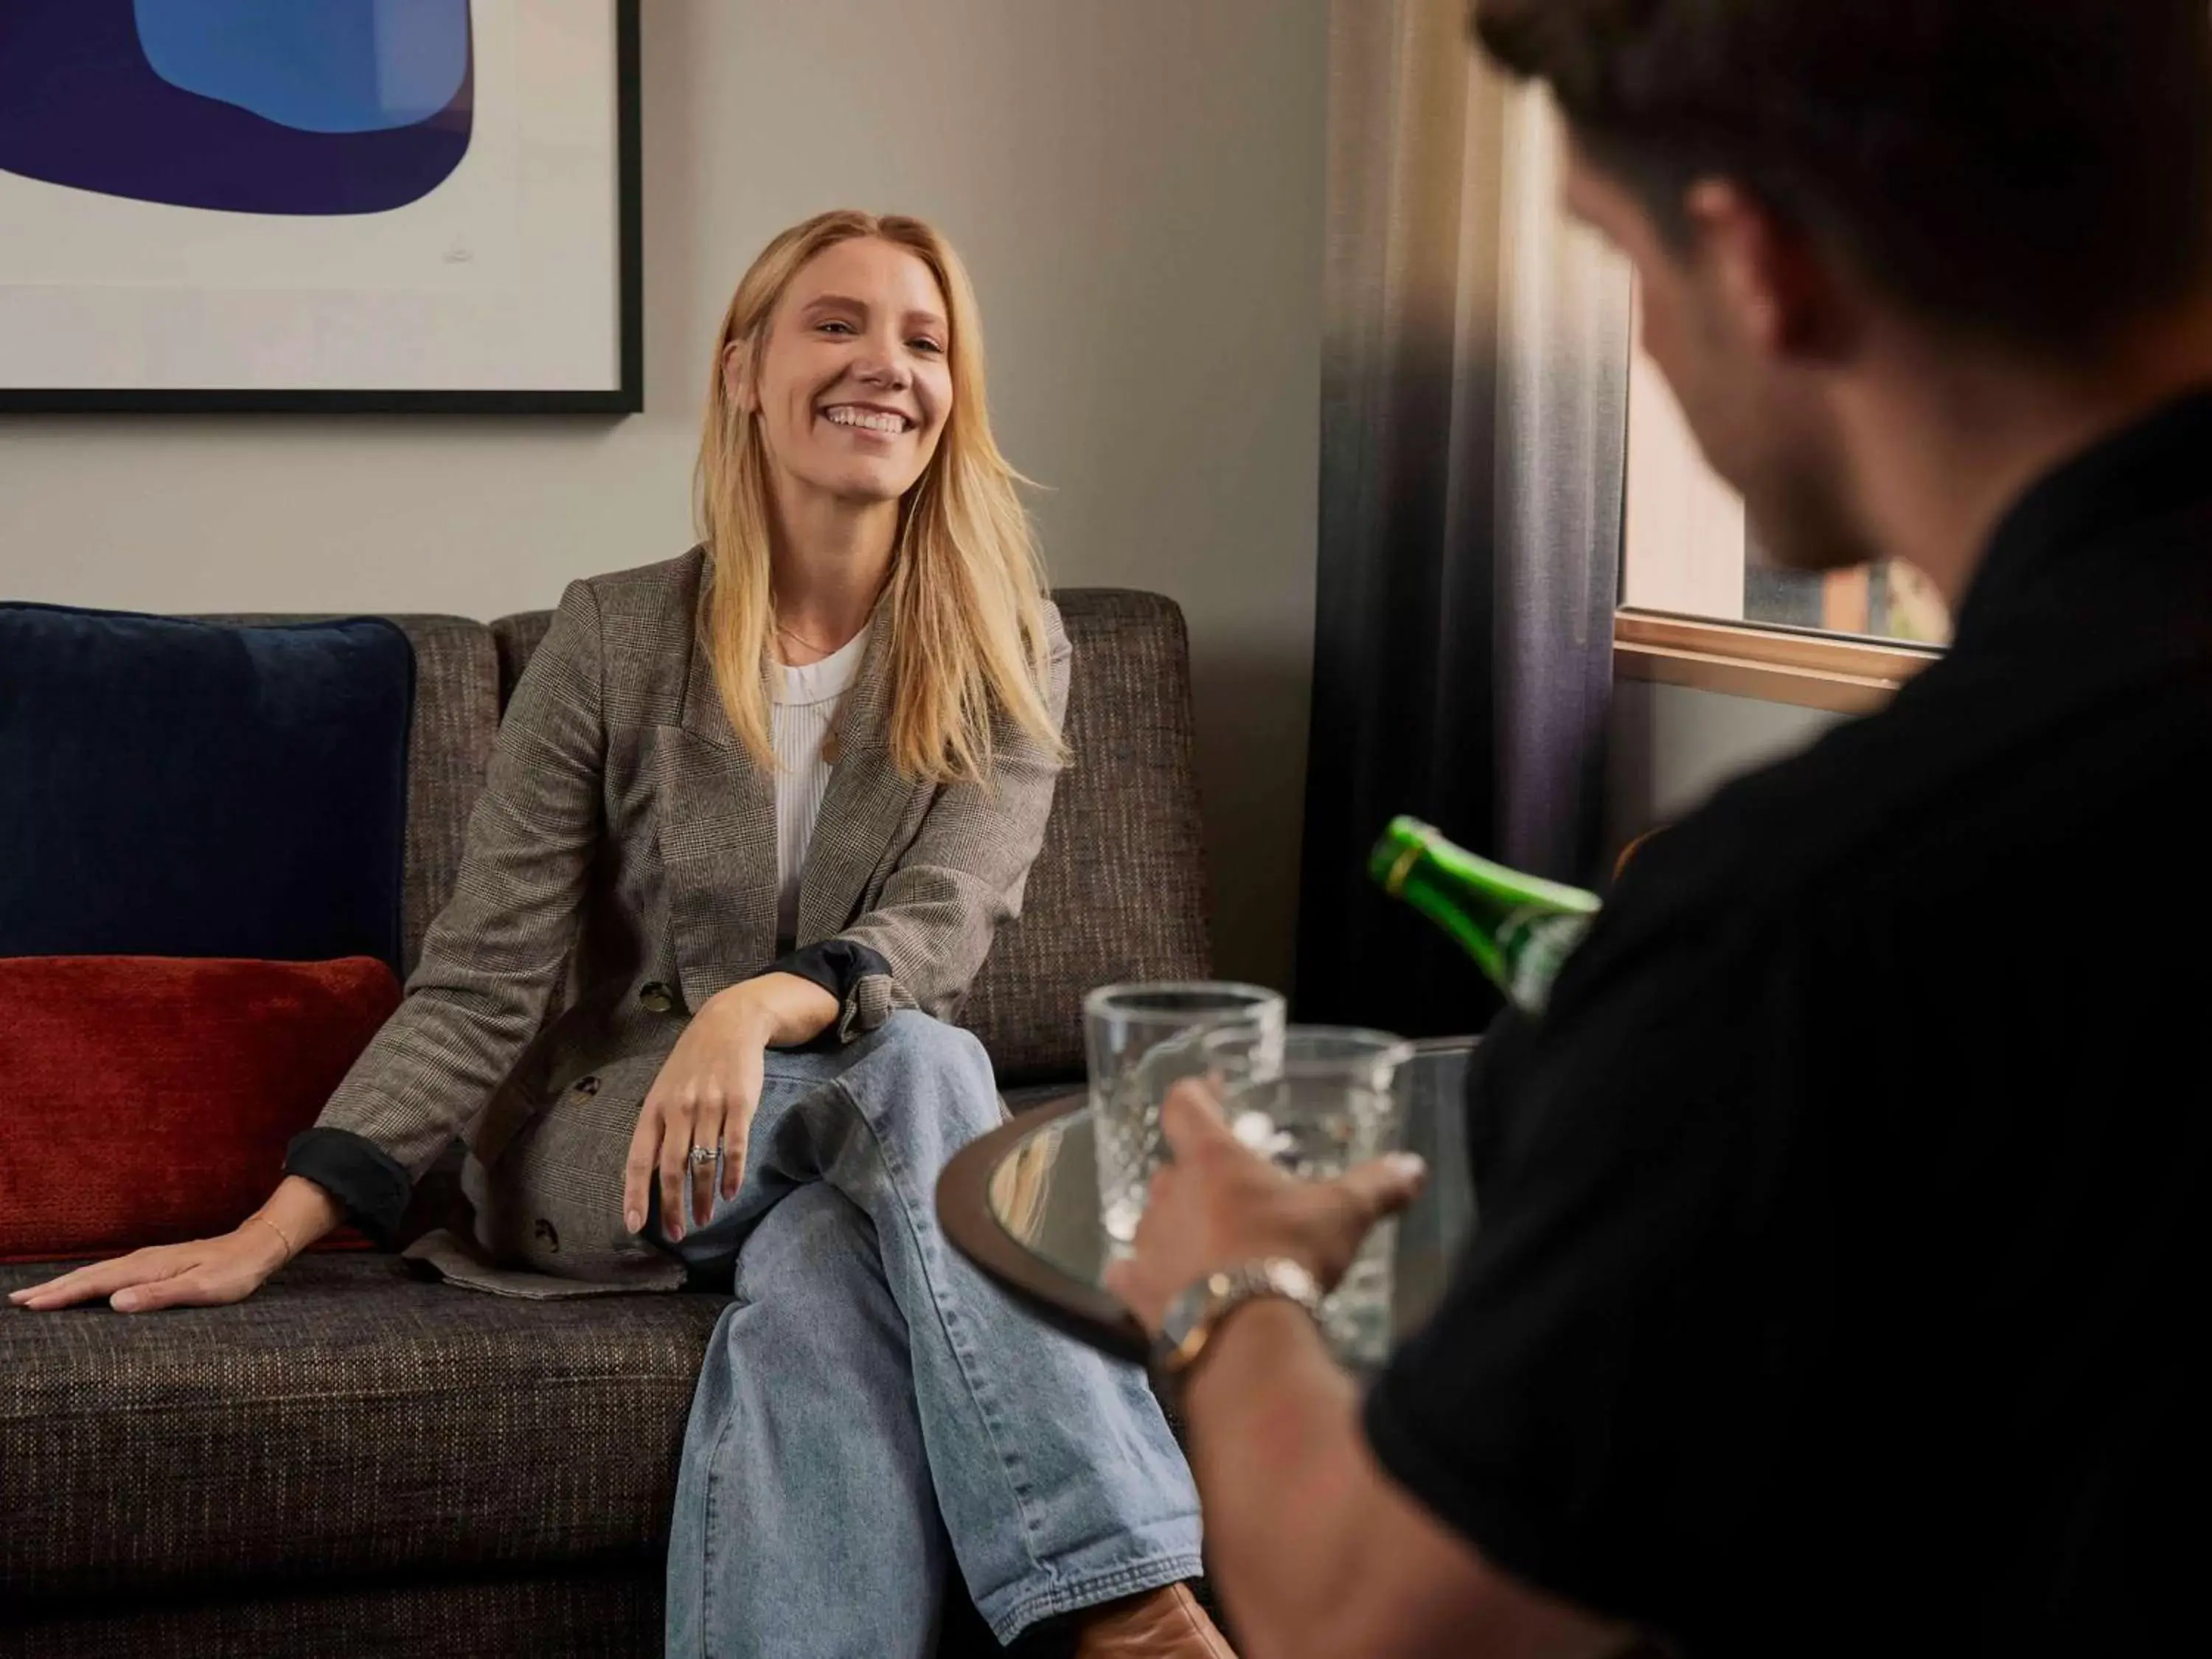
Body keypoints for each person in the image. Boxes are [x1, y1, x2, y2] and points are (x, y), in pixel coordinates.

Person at [1105, 2, 2212, 1655]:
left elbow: (1378, 1621)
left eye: (1615, 261)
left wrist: (1226, 1292)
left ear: (1755, 263)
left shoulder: (1807, 921)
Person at [12, 210, 1234, 1659]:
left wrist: (758, 1008)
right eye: (835, 325)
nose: (886, 366)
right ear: (742, 373)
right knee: (921, 1073)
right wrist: (274, 1231)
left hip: (839, 1138)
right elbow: (483, 976)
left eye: (925, 338)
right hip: (607, 1147)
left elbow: (945, 919)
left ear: (954, 393)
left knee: (829, 1277)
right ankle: (1127, 1603)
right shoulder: (617, 637)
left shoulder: (1009, 645)